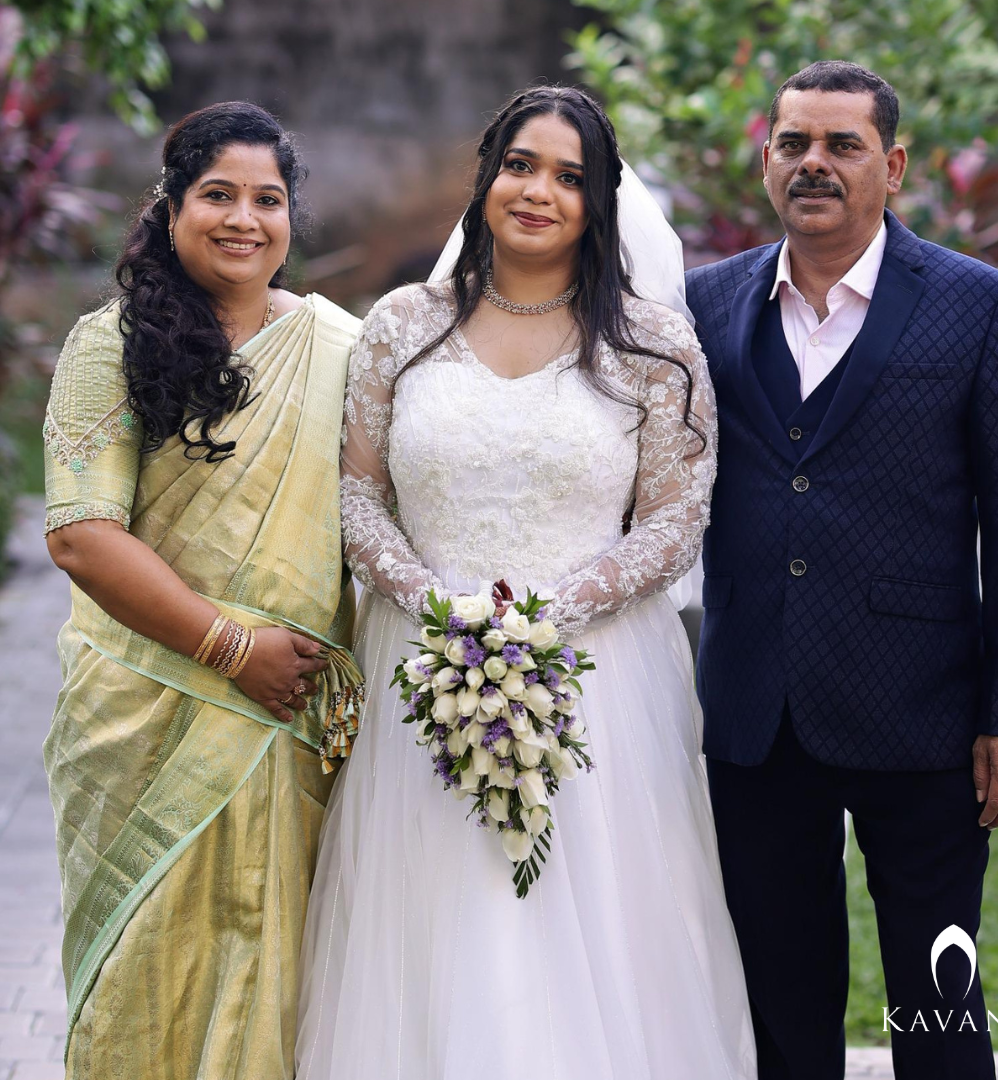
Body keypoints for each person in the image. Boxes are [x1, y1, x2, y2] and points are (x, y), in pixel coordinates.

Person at [295, 85, 756, 1079]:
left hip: (599, 677)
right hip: (422, 665)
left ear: (601, 202)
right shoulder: (400, 325)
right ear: (487, 177)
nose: (538, 190)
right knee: (435, 922)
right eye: (519, 164)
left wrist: (560, 612)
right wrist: (435, 604)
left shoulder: (650, 344)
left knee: (588, 932)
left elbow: (678, 516)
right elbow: (360, 494)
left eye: (569, 176)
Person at [686, 60, 998, 1079]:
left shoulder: (979, 305)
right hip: (755, 712)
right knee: (781, 1008)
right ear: (767, 159)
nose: (815, 163)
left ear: (892, 165)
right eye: (794, 143)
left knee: (939, 1013)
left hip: (926, 714)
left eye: (842, 145)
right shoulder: (703, 305)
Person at [43, 101, 364, 1079]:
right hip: (146, 710)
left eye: (267, 200)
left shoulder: (342, 349)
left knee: (280, 978)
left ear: (291, 219)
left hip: (293, 723)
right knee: (143, 971)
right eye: (217, 194)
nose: (244, 219)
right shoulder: (109, 345)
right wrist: (234, 650)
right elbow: (83, 537)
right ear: (171, 205)